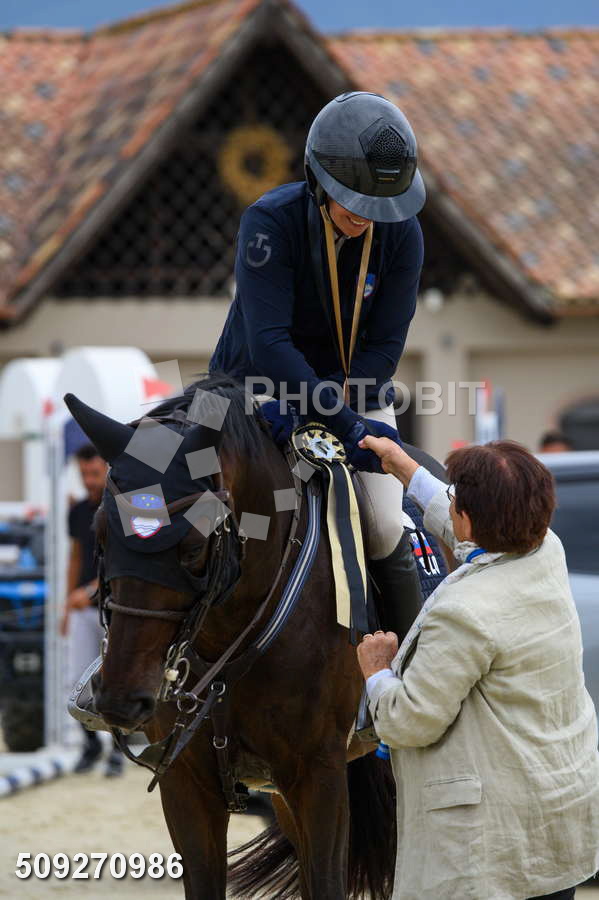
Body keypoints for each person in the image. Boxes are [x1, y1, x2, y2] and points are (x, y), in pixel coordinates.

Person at [211, 91, 426, 641]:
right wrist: (340, 421)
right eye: (355, 204)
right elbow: (269, 343)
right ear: (317, 180)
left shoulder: (404, 233)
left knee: (384, 527)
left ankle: (410, 668)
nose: (366, 218)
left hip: (353, 390)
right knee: (176, 496)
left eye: (379, 206)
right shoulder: (269, 222)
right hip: (249, 386)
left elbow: (386, 347)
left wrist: (339, 410)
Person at [355, 436, 599, 900]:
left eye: (456, 502)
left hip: (493, 853)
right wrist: (404, 468)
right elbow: (470, 534)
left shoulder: (465, 611)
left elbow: (409, 721)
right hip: (559, 822)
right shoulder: (546, 549)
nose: (450, 508)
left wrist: (378, 672)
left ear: (467, 518)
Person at [61, 443, 124, 777]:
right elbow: (75, 556)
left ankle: (117, 750)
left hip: (115, 608)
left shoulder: (121, 508)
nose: (88, 480)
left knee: (115, 678)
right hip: (83, 609)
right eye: (83, 474)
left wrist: (88, 592)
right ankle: (90, 746)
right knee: (77, 678)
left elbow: (122, 560)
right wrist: (66, 605)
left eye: (94, 473)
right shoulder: (77, 512)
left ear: (106, 469)